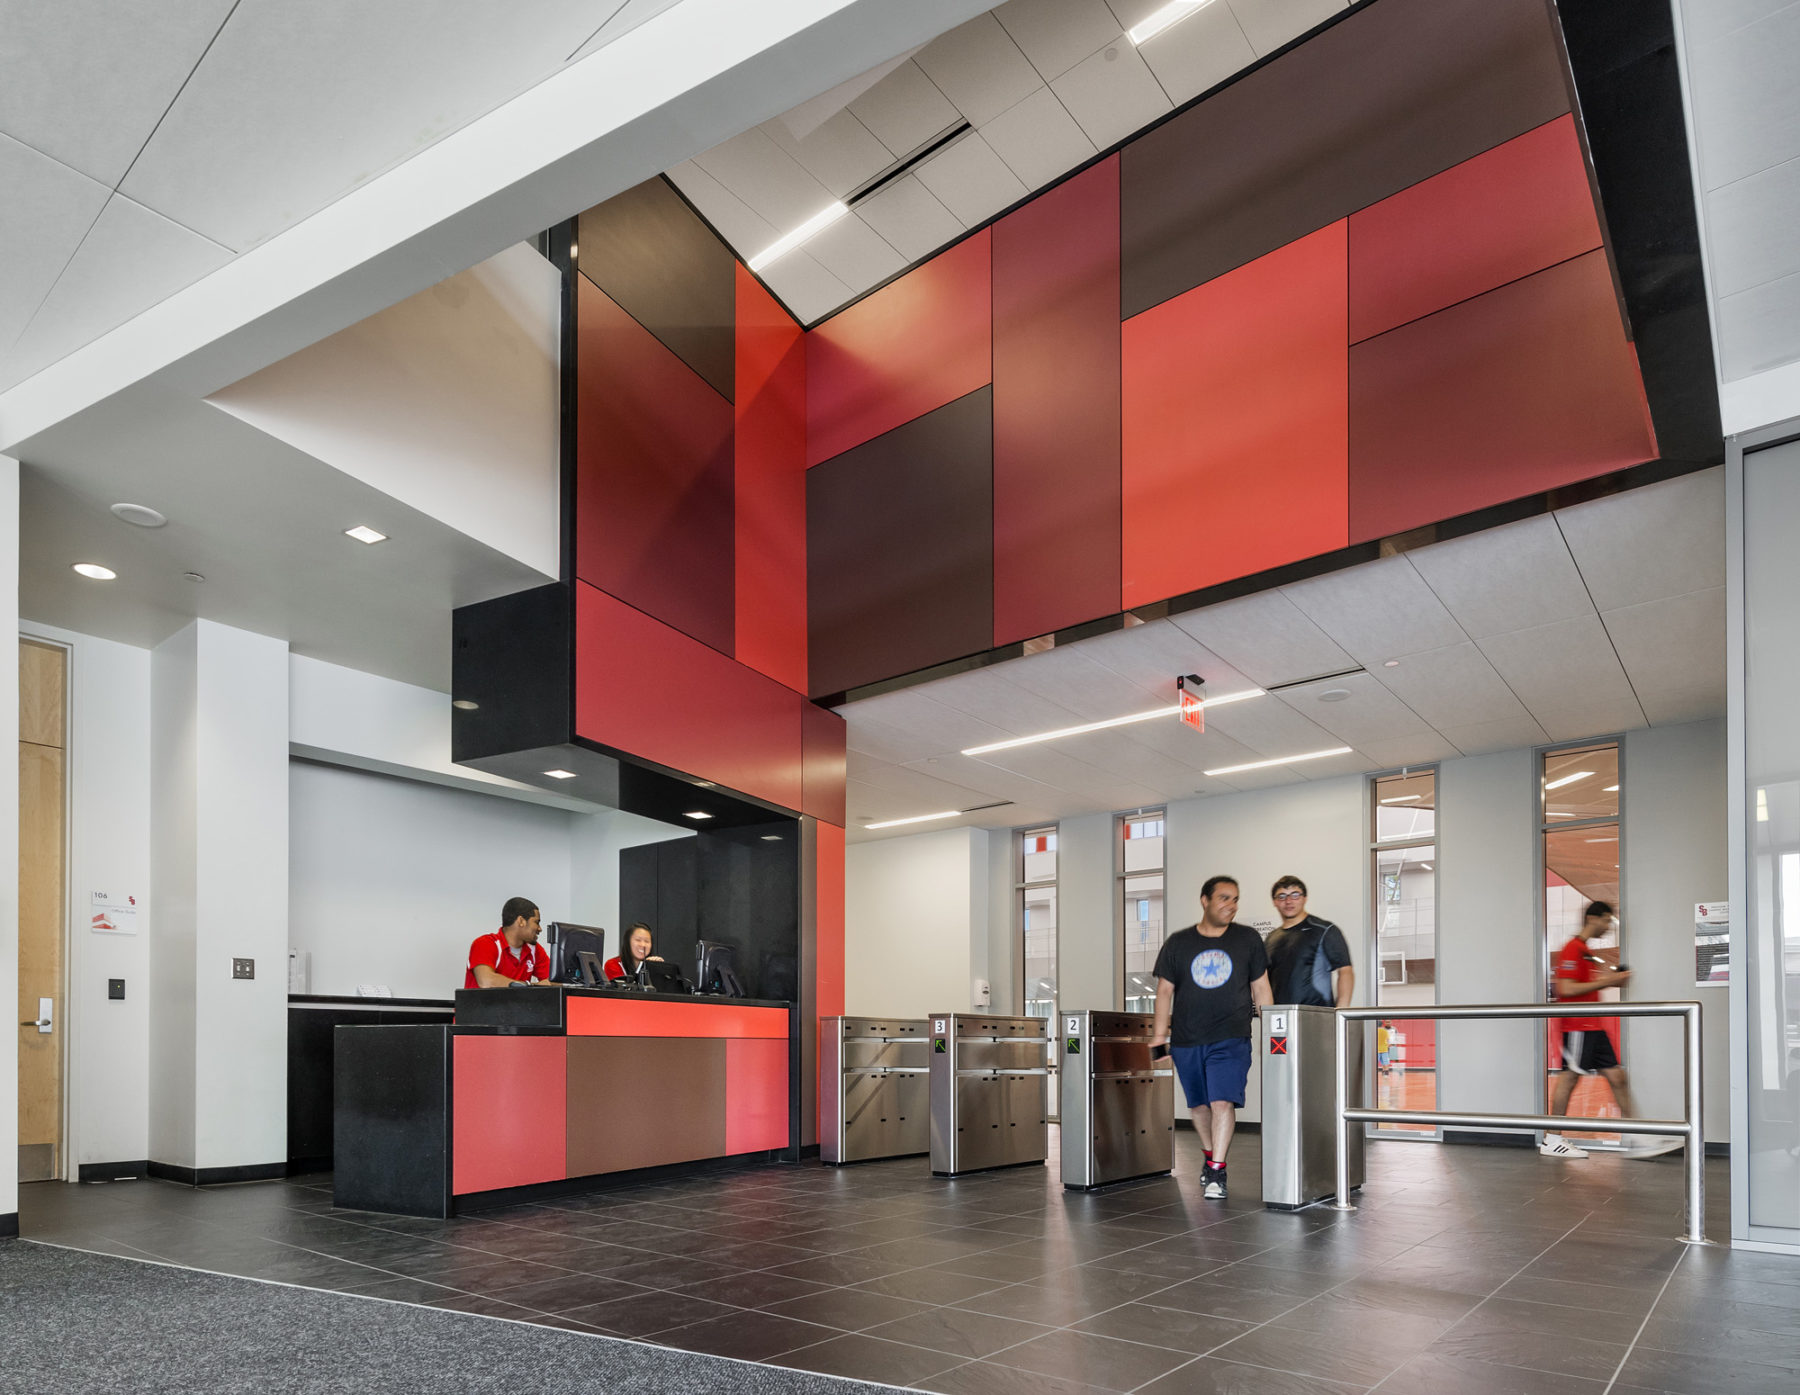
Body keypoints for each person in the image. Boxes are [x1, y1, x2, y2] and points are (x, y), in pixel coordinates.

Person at [1150, 876, 1273, 1201]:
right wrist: (1159, 1037)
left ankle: (1217, 1169)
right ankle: (1209, 1156)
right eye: (1224, 898)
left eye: (1235, 899)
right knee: (1200, 1106)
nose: (1231, 905)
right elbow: (1165, 991)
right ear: (1205, 901)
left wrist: (1276, 1031)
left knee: (1222, 1101)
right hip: (1188, 1040)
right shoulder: (1179, 942)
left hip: (1231, 1037)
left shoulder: (1247, 939)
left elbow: (1261, 987)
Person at [1543, 900, 1679, 1160]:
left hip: (1593, 1026)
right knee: (1569, 1079)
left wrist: (1604, 980)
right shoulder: (1573, 949)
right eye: (1607, 921)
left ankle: (1641, 1139)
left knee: (1618, 1078)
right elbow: (1566, 989)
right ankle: (1553, 1139)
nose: (1607, 927)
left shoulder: (1583, 950)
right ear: (1593, 919)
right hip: (1578, 1027)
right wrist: (1611, 980)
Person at [1262, 876, 1354, 1007]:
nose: (1288, 901)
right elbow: (1264, 982)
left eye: (1295, 895)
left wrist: (1341, 1012)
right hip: (1280, 1019)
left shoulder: (1325, 930)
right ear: (1274, 902)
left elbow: (1345, 971)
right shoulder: (1271, 938)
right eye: (1282, 896)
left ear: (1304, 898)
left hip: (1317, 1017)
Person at [465, 897, 550, 988]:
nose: (539, 929)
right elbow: (487, 982)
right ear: (521, 921)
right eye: (536, 922)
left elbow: (557, 981)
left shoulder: (534, 949)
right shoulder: (485, 943)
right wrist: (528, 986)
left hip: (517, 1003)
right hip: (481, 1002)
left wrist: (530, 986)